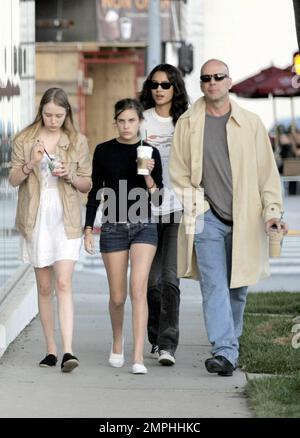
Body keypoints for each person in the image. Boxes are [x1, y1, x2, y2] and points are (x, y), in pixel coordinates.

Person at [169, 59, 288, 377]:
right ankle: (223, 350)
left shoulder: (250, 123)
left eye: (218, 77)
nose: (212, 83)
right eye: (206, 78)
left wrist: (272, 212)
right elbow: (178, 172)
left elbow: (267, 175)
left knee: (238, 289)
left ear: (229, 81)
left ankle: (229, 347)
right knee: (214, 286)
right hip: (207, 216)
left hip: (247, 219)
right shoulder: (188, 123)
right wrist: (198, 205)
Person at [8, 87, 92, 372]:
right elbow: (13, 179)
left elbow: (86, 184)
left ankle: (68, 351)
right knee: (44, 287)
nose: (53, 120)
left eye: (58, 115)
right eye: (48, 115)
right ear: (40, 112)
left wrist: (68, 174)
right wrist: (32, 162)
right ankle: (51, 350)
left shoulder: (77, 141)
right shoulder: (24, 139)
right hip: (36, 218)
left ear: (66, 113)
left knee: (64, 283)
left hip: (66, 218)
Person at [84, 98, 163, 374]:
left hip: (144, 224)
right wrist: (87, 228)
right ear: (115, 122)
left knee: (138, 290)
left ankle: (138, 355)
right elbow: (95, 192)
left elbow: (159, 198)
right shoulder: (104, 151)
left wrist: (149, 177)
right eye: (121, 120)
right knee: (118, 297)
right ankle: (118, 340)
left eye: (132, 120)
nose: (127, 125)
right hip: (113, 226)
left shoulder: (150, 152)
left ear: (140, 121)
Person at [139, 64, 189, 365]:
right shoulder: (141, 120)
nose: (160, 89)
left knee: (170, 278)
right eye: (155, 84)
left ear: (175, 89)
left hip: (176, 206)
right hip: (143, 208)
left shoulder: (185, 121)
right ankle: (156, 338)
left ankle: (168, 344)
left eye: (166, 85)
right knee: (150, 281)